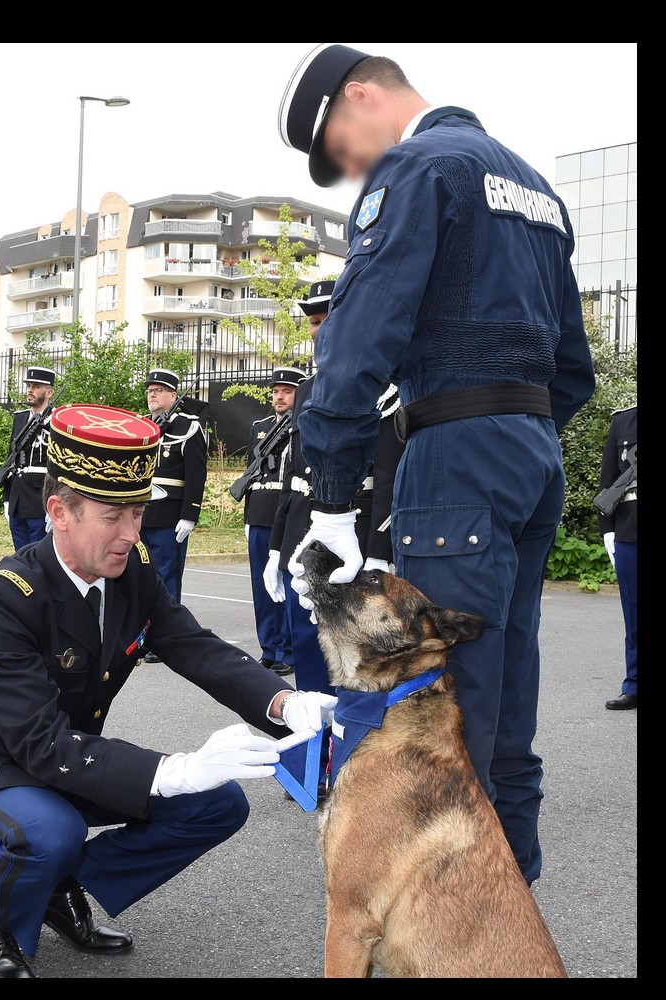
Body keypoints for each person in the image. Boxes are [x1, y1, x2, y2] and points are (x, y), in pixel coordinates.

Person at [277, 44, 596, 885]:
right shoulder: (533, 186)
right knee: (505, 690)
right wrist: (510, 424)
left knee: (442, 707)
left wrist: (336, 502)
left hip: (456, 460)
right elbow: (574, 371)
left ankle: (449, 929)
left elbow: (355, 343)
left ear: (360, 96)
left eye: (345, 150)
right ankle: (509, 910)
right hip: (531, 451)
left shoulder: (418, 168)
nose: (355, 172)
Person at [0, 402, 336, 979]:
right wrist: (173, 768)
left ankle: (60, 888)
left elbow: (195, 646)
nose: (132, 535)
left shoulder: (130, 571)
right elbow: (41, 745)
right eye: (113, 517)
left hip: (66, 759)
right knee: (51, 831)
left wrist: (285, 703)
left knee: (217, 803)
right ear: (59, 511)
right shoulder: (3, 598)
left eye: (138, 514)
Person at [263, 281, 403, 795]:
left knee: (359, 656)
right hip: (309, 533)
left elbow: (388, 474)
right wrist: (279, 544)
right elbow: (292, 476)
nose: (320, 330)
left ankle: (358, 764)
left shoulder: (385, 387)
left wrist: (383, 551)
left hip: (357, 536)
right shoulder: (307, 390)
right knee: (307, 650)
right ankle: (314, 760)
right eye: (314, 322)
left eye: (327, 319)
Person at [140, 370, 208, 666]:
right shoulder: (143, 425)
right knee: (140, 577)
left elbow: (196, 475)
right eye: (149, 390)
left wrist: (190, 514)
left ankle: (165, 638)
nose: (152, 395)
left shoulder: (188, 427)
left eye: (158, 390)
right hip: (141, 514)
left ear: (172, 395)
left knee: (166, 579)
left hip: (170, 516)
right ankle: (140, 635)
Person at [243, 367, 307, 677]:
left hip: (286, 516)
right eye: (275, 392)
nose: (279, 397)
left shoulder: (304, 425)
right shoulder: (261, 426)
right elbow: (250, 474)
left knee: (287, 588)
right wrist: (247, 517)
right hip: (259, 514)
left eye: (287, 391)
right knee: (262, 587)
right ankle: (269, 648)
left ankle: (289, 651)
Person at [598, 403, 637, 710]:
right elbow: (608, 479)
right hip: (629, 528)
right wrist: (608, 531)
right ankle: (634, 684)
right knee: (634, 615)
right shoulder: (624, 420)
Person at [3, 366, 57, 551]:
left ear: (49, 392)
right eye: (29, 386)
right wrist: (7, 498)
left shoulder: (57, 421)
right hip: (18, 498)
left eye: (36, 386)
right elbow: (11, 460)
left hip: (40, 498)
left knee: (39, 555)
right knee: (20, 556)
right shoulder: (20, 419)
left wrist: (55, 502)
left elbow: (59, 465)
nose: (30, 390)